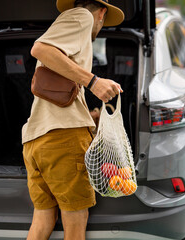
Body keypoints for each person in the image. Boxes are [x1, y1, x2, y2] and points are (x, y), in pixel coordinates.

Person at [21, 0, 124, 239]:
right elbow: (40, 49)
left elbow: (58, 93)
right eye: (104, 22)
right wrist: (94, 82)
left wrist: (89, 116)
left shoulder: (69, 31)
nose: (101, 27)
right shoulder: (82, 16)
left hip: (35, 141)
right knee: (75, 227)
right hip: (63, 139)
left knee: (42, 220)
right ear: (102, 13)